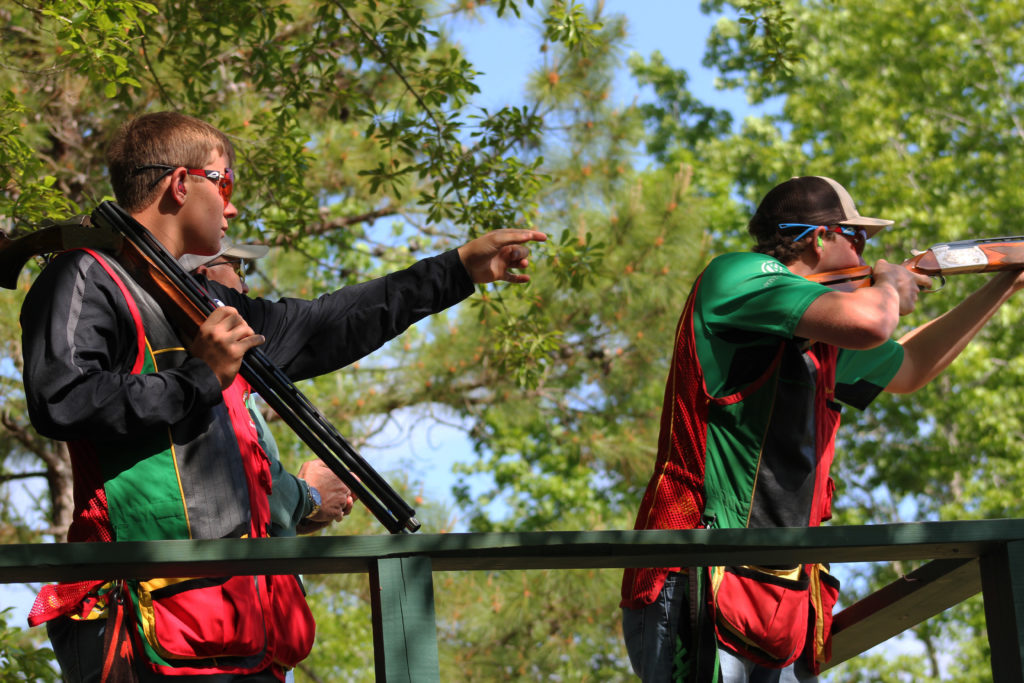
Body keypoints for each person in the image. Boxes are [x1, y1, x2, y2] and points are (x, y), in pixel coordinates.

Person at [20, 111, 546, 682]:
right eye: (224, 184)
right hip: (144, 628)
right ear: (180, 183)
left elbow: (327, 324)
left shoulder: (205, 304)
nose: (233, 207)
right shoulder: (84, 275)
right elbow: (62, 398)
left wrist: (459, 270)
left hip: (241, 634)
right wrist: (202, 376)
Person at [620, 175, 1024, 683]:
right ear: (818, 237)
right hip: (698, 570)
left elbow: (911, 365)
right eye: (856, 237)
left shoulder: (821, 338)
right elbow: (873, 323)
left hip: (782, 593)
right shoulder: (738, 273)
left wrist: (1005, 282)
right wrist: (889, 288)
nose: (865, 250)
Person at [179, 241, 354, 537]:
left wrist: (310, 509)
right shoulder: (199, 370)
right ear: (203, 274)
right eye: (238, 270)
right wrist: (310, 497)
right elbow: (237, 477)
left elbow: (257, 503)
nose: (246, 287)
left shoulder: (225, 376)